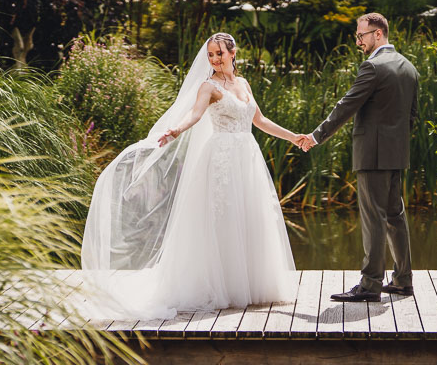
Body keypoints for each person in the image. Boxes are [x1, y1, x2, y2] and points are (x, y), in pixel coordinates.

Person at [80, 33, 300, 318]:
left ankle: (249, 284)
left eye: (219, 53)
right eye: (210, 54)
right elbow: (195, 115)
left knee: (249, 216)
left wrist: (293, 137)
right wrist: (176, 130)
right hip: (222, 158)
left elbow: (259, 120)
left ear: (233, 53)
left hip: (247, 157)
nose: (214, 59)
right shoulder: (208, 86)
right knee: (222, 219)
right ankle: (220, 287)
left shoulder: (243, 84)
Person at [295, 12, 419, 302]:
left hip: (372, 155)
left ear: (378, 34)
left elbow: (346, 106)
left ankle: (370, 284)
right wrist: (397, 144)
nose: (357, 42)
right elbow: (412, 116)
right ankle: (402, 280)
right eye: (356, 36)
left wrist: (315, 136)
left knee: (374, 219)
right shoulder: (409, 67)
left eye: (361, 36)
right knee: (395, 216)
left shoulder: (373, 67)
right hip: (396, 154)